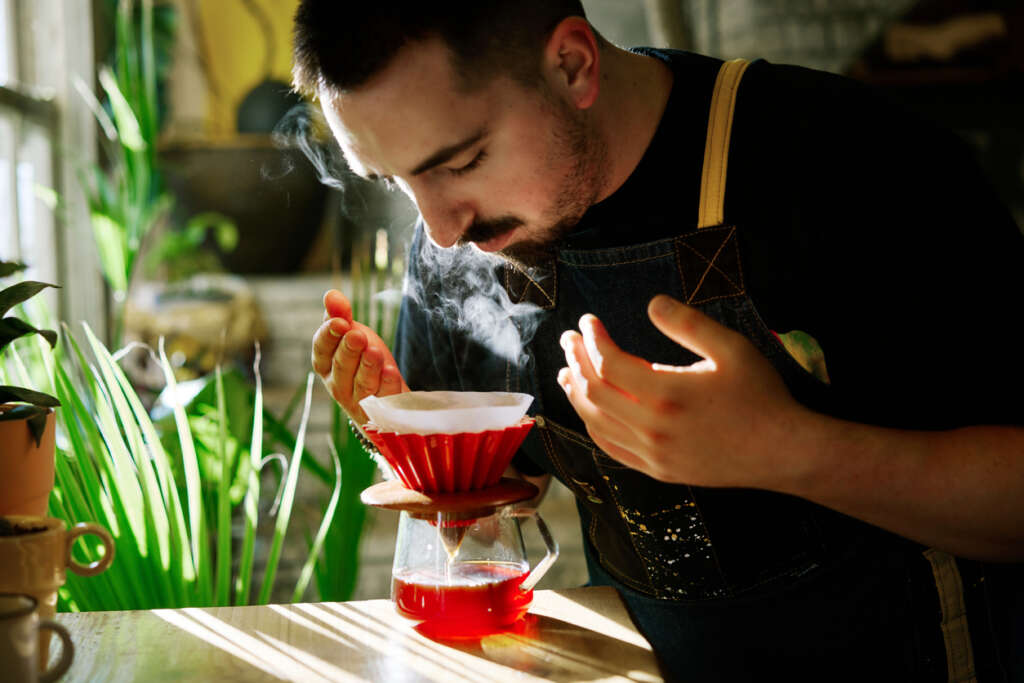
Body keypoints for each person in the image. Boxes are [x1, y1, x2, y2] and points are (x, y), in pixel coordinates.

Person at [297, 2, 1024, 680]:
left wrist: (790, 449)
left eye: (459, 163)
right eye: (395, 181)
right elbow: (484, 530)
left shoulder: (855, 165)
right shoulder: (461, 242)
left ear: (574, 66)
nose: (441, 228)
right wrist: (422, 444)